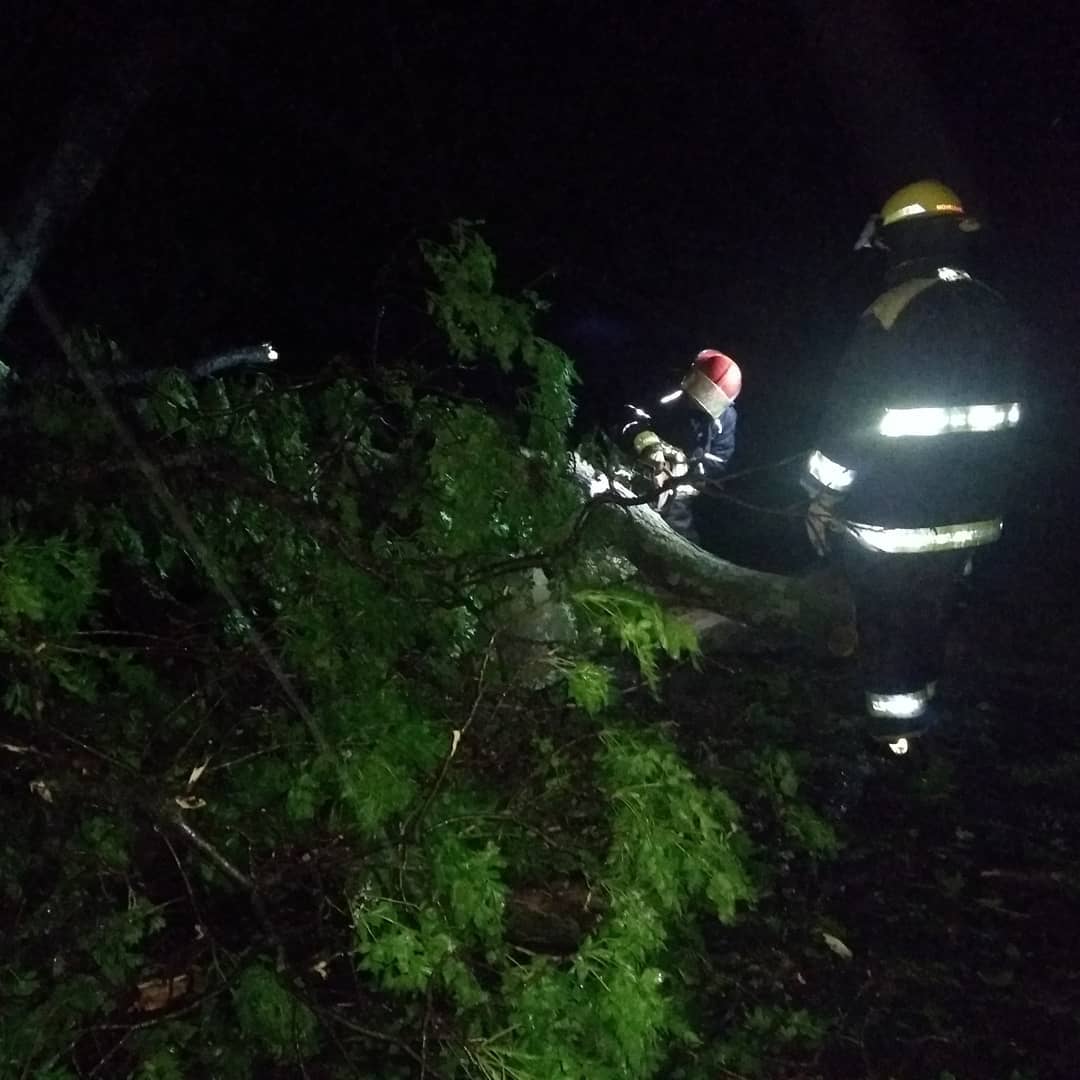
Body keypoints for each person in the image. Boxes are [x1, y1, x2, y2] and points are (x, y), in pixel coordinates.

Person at [803, 179, 1027, 754]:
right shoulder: (995, 309)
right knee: (934, 614)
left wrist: (821, 494)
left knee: (889, 626)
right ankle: (925, 720)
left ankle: (893, 742)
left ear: (901, 243)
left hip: (896, 516)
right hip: (977, 514)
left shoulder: (891, 312)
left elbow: (848, 421)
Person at [619, 349, 742, 544]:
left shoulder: (725, 419)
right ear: (691, 376)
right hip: (635, 461)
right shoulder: (665, 386)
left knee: (680, 537)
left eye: (713, 397)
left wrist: (686, 472)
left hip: (679, 485)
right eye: (702, 388)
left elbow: (719, 459)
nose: (702, 399)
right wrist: (647, 443)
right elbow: (628, 414)